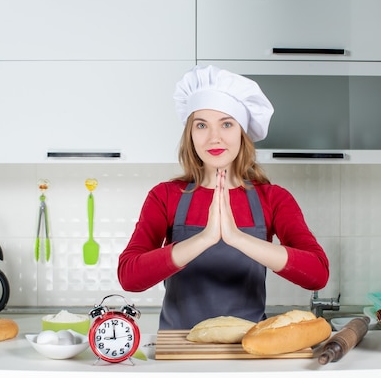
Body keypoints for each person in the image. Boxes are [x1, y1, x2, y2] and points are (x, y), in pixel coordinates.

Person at [117, 65, 329, 330]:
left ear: (242, 132)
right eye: (202, 125)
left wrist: (237, 238)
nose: (214, 137)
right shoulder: (165, 196)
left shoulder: (273, 198)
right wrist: (204, 238)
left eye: (226, 124)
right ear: (190, 134)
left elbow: (318, 274)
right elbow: (129, 276)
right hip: (177, 347)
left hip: (248, 347)